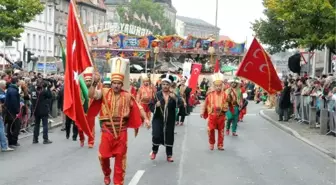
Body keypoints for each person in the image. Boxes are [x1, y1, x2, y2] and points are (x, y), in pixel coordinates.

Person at [88, 57, 150, 185]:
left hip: (121, 132)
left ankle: (118, 183)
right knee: (103, 156)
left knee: (120, 160)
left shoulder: (127, 96)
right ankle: (106, 173)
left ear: (122, 84)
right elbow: (91, 95)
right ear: (111, 83)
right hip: (107, 131)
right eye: (114, 82)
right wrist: (94, 83)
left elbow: (138, 108)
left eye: (118, 83)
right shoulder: (104, 93)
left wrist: (146, 119)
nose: (116, 85)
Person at [149, 73, 182, 162]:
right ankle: (154, 151)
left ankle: (169, 155)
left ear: (170, 85)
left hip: (169, 120)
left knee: (169, 136)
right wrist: (156, 105)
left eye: (167, 84)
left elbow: (180, 104)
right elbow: (150, 105)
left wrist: (175, 99)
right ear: (161, 84)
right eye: (163, 84)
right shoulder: (157, 95)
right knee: (156, 135)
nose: (165, 86)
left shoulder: (173, 95)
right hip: (158, 119)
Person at [200, 73, 228, 150]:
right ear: (214, 86)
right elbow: (205, 103)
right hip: (212, 115)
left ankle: (220, 145)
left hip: (221, 116)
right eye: (216, 86)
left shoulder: (225, 95)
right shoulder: (210, 95)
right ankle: (211, 143)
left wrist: (224, 108)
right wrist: (202, 112)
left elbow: (227, 105)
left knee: (221, 131)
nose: (218, 87)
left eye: (219, 85)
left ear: (222, 85)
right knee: (210, 130)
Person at [78, 67, 95, 148]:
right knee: (80, 128)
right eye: (86, 81)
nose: (88, 82)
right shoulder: (80, 89)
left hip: (91, 112)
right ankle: (81, 139)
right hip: (82, 111)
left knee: (91, 127)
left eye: (89, 81)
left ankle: (91, 141)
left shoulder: (94, 89)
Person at [32, 78, 53, 144]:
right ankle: (45, 139)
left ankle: (35, 139)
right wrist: (49, 88)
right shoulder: (44, 91)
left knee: (36, 125)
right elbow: (50, 96)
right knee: (45, 125)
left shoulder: (33, 91)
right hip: (43, 110)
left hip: (36, 110)